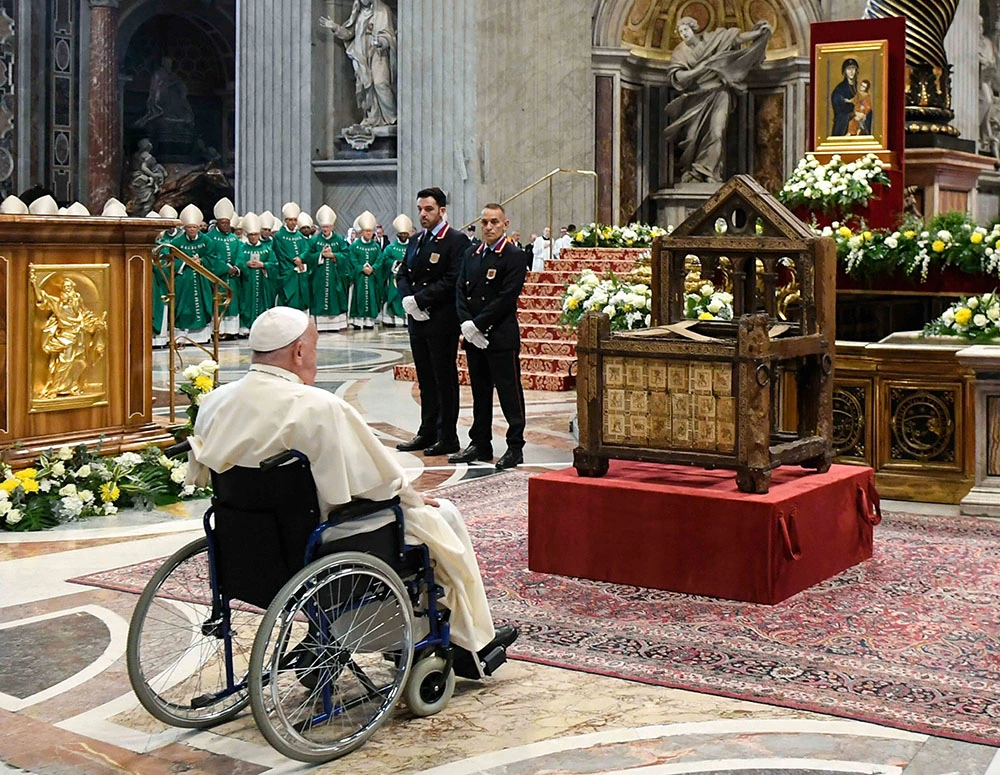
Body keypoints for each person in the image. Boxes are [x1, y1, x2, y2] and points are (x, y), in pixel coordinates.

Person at [185, 307, 518, 667]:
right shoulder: (317, 406)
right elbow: (379, 483)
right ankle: (473, 643)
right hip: (320, 538)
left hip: (248, 541)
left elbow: (205, 471)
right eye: (313, 347)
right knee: (442, 516)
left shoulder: (216, 401)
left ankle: (336, 635)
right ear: (299, 352)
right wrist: (410, 497)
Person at [450, 204, 528, 470]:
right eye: (484, 222)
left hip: (499, 336)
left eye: (494, 222)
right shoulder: (472, 253)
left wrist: (479, 325)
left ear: (505, 224)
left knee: (509, 393)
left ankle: (515, 446)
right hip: (474, 337)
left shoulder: (514, 256)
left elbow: (507, 297)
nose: (489, 227)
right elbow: (460, 289)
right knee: (480, 393)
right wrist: (466, 325)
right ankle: (480, 442)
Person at [394, 187, 467, 457]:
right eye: (420, 210)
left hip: (441, 319)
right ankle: (427, 431)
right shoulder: (415, 241)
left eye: (429, 209)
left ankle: (448, 435)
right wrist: (407, 300)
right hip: (418, 319)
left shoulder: (456, 241)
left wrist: (421, 300)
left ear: (442, 211)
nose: (423, 214)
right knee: (425, 379)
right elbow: (402, 273)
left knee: (443, 378)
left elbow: (452, 279)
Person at [663, 16, 771, 183]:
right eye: (681, 31)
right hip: (696, 97)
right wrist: (699, 69)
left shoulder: (714, 38)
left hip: (720, 93)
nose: (684, 33)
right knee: (691, 137)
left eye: (686, 29)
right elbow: (678, 76)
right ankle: (692, 172)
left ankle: (708, 172)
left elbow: (736, 38)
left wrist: (757, 33)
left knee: (717, 132)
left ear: (694, 28)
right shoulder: (680, 52)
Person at [319, 0, 397, 127]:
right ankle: (372, 116)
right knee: (366, 86)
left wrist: (381, 42)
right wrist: (335, 27)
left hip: (378, 54)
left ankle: (392, 119)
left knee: (380, 83)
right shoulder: (358, 13)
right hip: (361, 57)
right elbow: (349, 33)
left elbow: (389, 35)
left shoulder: (382, 11)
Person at [168, 204, 217, 343]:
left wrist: (201, 260)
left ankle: (202, 337)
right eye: (189, 227)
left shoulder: (207, 241)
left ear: (198, 227)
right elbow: (171, 260)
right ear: (185, 228)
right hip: (184, 279)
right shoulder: (177, 242)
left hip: (201, 278)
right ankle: (182, 337)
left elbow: (213, 257)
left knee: (202, 304)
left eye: (194, 227)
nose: (192, 230)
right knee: (183, 306)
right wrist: (185, 262)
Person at [308, 204, 351, 332]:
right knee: (319, 297)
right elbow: (308, 256)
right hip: (319, 277)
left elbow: (346, 255)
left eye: (327, 227)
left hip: (334, 276)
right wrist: (320, 255)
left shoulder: (338, 239)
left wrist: (333, 255)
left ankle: (334, 325)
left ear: (332, 226)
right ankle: (320, 325)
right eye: (323, 227)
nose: (325, 229)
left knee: (334, 298)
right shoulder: (315, 240)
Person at [204, 197, 242, 338]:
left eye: (227, 223)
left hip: (233, 277)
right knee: (218, 302)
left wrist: (237, 267)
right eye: (222, 223)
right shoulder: (209, 237)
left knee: (232, 303)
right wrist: (226, 268)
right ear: (217, 223)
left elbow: (241, 254)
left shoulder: (234, 238)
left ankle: (231, 331)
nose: (225, 225)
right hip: (218, 277)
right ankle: (218, 331)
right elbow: (211, 256)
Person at [234, 212, 277, 333]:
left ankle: (262, 325)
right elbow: (238, 262)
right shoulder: (241, 248)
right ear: (247, 235)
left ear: (259, 234)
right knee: (245, 303)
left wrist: (263, 265)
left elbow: (274, 264)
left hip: (262, 283)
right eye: (251, 235)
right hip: (247, 283)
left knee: (262, 303)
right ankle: (245, 326)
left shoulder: (266, 249)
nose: (253, 237)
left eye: (256, 234)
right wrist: (245, 265)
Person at [271, 202, 312, 311]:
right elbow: (281, 253)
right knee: (289, 301)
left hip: (300, 273)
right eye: (290, 220)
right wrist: (295, 262)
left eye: (295, 220)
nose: (293, 222)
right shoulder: (279, 236)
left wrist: (301, 258)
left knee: (301, 300)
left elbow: (307, 249)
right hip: (287, 273)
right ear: (285, 221)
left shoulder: (299, 235)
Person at [348, 210, 383, 328]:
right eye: (367, 231)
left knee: (372, 297)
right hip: (360, 277)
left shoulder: (375, 246)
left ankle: (369, 321)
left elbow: (380, 260)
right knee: (359, 296)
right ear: (362, 232)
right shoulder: (354, 246)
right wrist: (361, 268)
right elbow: (352, 260)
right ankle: (358, 321)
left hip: (372, 277)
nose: (369, 233)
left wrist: (373, 268)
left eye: (371, 231)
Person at [378, 213, 412, 326]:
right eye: (401, 233)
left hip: (409, 279)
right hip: (394, 278)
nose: (403, 235)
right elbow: (384, 261)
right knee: (395, 296)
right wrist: (395, 262)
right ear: (397, 234)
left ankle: (407, 319)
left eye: (405, 234)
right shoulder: (390, 248)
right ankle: (391, 320)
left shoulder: (413, 246)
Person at [831, 58, 861, 136]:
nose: (851, 72)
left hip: (857, 122)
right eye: (848, 69)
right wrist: (853, 114)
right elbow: (839, 109)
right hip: (844, 126)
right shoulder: (840, 89)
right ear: (845, 72)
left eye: (853, 69)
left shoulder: (857, 87)